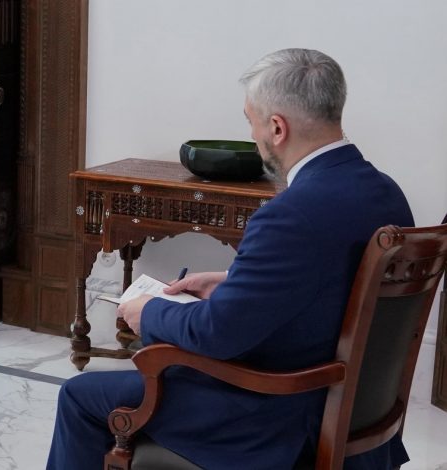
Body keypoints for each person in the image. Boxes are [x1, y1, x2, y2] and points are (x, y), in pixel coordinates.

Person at [46, 48, 414, 469]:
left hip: (275, 417)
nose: (253, 136)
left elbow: (218, 334)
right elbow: (333, 285)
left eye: (250, 121)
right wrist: (232, 281)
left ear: (277, 127)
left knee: (78, 396)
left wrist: (148, 312)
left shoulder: (289, 215)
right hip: (345, 407)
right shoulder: (386, 193)